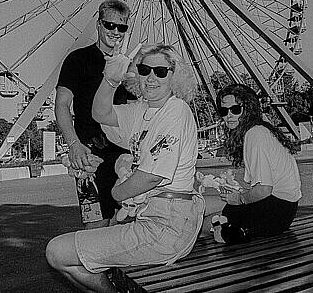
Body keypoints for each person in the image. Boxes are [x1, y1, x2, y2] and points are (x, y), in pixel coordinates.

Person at [46, 43, 205, 292]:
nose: (151, 77)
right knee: (77, 252)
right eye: (144, 70)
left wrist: (116, 193)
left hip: (166, 225)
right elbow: (100, 113)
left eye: (161, 72)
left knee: (57, 252)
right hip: (153, 217)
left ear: (175, 76)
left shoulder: (176, 110)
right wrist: (110, 80)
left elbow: (151, 176)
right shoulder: (143, 110)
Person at [55, 0, 136, 229]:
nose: (115, 31)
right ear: (98, 24)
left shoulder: (129, 66)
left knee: (126, 221)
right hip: (88, 155)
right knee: (95, 225)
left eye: (122, 27)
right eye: (110, 25)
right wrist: (73, 144)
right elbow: (62, 105)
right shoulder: (77, 59)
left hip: (125, 155)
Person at [211, 83, 302, 244]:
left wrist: (239, 198)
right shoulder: (260, 130)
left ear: (248, 109)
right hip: (285, 210)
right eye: (224, 111)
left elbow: (264, 190)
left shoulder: (255, 135)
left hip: (274, 211)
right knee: (220, 209)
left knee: (212, 217)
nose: (229, 116)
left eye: (235, 109)